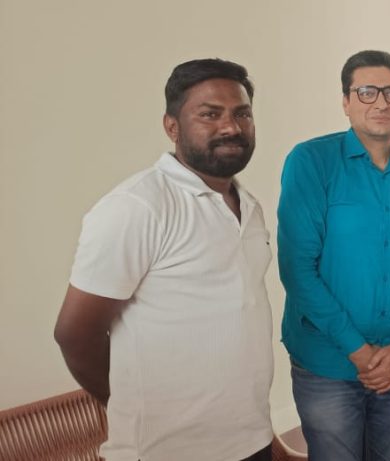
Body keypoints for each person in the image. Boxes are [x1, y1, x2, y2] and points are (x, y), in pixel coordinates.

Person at [53, 58, 273, 461]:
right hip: (165, 450)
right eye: (210, 114)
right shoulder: (137, 207)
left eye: (242, 114)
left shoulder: (249, 206)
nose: (231, 127)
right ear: (172, 127)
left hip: (249, 440)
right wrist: (132, 407)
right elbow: (75, 334)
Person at [277, 49, 390, 460]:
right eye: (367, 92)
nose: (381, 103)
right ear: (346, 101)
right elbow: (298, 269)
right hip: (327, 363)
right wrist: (356, 349)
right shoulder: (311, 161)